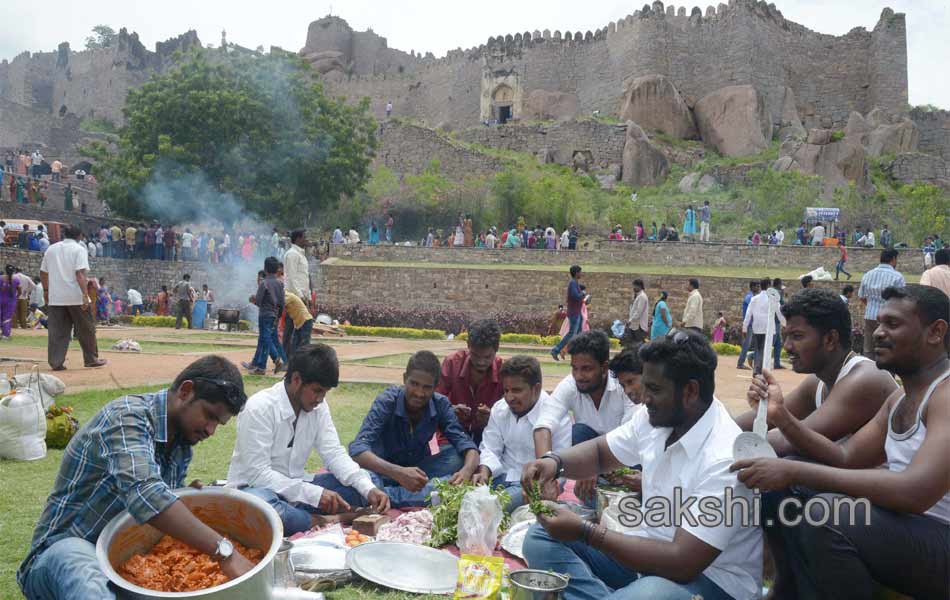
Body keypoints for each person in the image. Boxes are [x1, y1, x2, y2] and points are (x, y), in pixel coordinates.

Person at [732, 284, 949, 600]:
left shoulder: (944, 395)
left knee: (826, 513)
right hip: (906, 528)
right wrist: (780, 416)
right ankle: (790, 590)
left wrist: (792, 471)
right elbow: (846, 456)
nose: (877, 332)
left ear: (936, 332)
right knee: (785, 492)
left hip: (938, 538)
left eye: (893, 324)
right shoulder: (900, 399)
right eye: (879, 321)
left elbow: (913, 493)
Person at [522, 330, 762, 600]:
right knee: (540, 538)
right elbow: (601, 453)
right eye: (645, 385)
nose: (643, 397)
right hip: (650, 558)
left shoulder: (724, 458)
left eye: (655, 389)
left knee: (646, 594)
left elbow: (682, 562)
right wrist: (554, 462)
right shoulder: (656, 418)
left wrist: (586, 531)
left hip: (710, 583)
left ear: (690, 391)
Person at [17, 356, 253, 599]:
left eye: (219, 424)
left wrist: (182, 497)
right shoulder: (127, 417)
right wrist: (225, 551)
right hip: (60, 556)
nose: (210, 430)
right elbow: (147, 495)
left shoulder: (181, 443)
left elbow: (156, 509)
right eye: (210, 415)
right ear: (186, 391)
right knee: (80, 564)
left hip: (118, 566)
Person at [227, 345, 390, 535]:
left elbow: (333, 453)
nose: (320, 399)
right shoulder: (260, 408)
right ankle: (328, 519)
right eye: (317, 391)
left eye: (325, 393)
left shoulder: (318, 407)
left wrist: (368, 489)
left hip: (298, 488)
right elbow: (258, 475)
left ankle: (301, 518)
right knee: (263, 509)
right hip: (256, 490)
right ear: (296, 380)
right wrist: (314, 495)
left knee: (369, 481)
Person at [349, 351, 480, 507]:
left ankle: (388, 495)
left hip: (420, 470)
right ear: (405, 379)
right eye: (414, 384)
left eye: (426, 387)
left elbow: (467, 445)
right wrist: (398, 473)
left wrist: (466, 472)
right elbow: (357, 449)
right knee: (363, 476)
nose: (419, 393)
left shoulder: (440, 403)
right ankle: (415, 494)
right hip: (383, 470)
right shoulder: (387, 401)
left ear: (436, 387)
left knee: (457, 458)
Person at [534, 331, 639, 507]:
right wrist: (547, 471)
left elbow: (630, 434)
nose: (579, 376)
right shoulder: (571, 385)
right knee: (579, 432)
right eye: (574, 368)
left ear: (604, 368)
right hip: (591, 464)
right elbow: (544, 424)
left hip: (627, 459)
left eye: (587, 369)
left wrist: (595, 465)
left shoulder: (624, 386)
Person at [472, 356, 571, 512]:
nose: (509, 397)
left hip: (534, 483)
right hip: (501, 476)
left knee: (488, 508)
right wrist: (484, 472)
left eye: (517, 390)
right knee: (465, 496)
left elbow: (561, 464)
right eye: (506, 390)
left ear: (536, 389)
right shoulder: (500, 408)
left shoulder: (556, 415)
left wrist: (544, 483)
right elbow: (490, 447)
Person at [40, 225, 106, 370]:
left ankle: (56, 362)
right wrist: (84, 295)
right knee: (86, 329)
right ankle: (91, 359)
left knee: (57, 331)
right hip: (75, 296)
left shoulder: (51, 249)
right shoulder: (79, 249)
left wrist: (46, 291)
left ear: (65, 234)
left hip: (56, 297)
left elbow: (43, 273)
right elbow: (80, 274)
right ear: (80, 236)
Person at [436, 319, 504, 446]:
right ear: (468, 345)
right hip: (452, 432)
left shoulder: (503, 371)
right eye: (476, 355)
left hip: (489, 435)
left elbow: (511, 412)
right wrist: (451, 410)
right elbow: (434, 401)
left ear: (497, 348)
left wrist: (493, 417)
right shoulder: (452, 363)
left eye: (487, 357)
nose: (481, 362)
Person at [858, 248, 905, 356]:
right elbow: (901, 300)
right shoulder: (897, 277)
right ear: (893, 259)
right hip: (889, 318)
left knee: (868, 349)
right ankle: (886, 372)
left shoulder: (868, 274)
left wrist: (871, 305)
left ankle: (868, 371)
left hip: (870, 316)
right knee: (888, 348)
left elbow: (861, 296)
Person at [246, 257, 288, 375]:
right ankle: (261, 367)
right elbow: (282, 302)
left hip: (264, 314)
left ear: (265, 269)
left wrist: (253, 300)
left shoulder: (264, 283)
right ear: (276, 270)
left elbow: (259, 301)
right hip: (275, 314)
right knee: (267, 338)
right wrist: (278, 316)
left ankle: (276, 359)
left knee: (265, 337)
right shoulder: (280, 284)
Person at [743, 278, 786, 375]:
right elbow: (779, 313)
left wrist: (744, 328)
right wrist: (785, 324)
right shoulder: (773, 298)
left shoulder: (754, 299)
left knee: (759, 349)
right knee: (765, 350)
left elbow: (748, 314)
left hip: (757, 328)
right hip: (769, 329)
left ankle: (757, 370)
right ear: (768, 286)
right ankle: (761, 370)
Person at [551, 265, 585, 361]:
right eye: (580, 272)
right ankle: (556, 350)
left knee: (579, 334)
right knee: (571, 334)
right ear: (576, 273)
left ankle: (577, 352)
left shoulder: (575, 283)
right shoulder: (572, 283)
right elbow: (575, 296)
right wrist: (582, 294)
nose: (581, 274)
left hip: (577, 312)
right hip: (574, 313)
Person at [736, 280, 761, 371]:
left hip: (753, 324)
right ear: (752, 287)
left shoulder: (753, 297)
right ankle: (740, 363)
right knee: (747, 344)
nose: (758, 288)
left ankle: (751, 361)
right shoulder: (749, 297)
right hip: (749, 325)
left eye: (759, 286)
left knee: (754, 344)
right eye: (757, 286)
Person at [283, 292, 314, 356]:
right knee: (295, 344)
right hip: (299, 323)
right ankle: (294, 362)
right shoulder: (286, 295)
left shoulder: (288, 296)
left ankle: (306, 362)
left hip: (306, 321)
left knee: (304, 344)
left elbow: (279, 304)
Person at [622, 279, 649, 349]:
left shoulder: (642, 297)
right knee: (632, 344)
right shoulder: (637, 296)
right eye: (633, 286)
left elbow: (638, 312)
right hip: (634, 325)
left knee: (638, 344)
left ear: (640, 286)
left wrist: (630, 321)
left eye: (635, 286)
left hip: (639, 326)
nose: (633, 288)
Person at [0, 265, 19, 339]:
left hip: (1, 299)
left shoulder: (1, 278)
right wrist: (16, 296)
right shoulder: (16, 279)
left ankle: (3, 332)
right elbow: (19, 289)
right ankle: (5, 334)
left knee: (1, 316)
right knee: (7, 317)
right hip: (11, 301)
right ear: (14, 271)